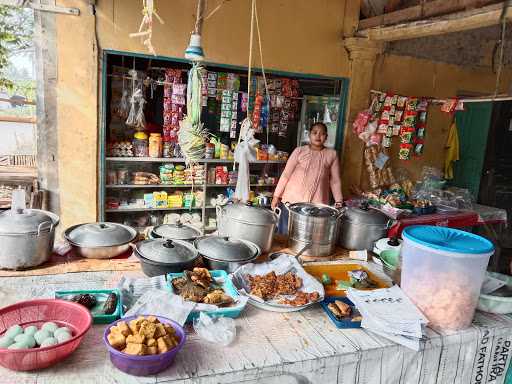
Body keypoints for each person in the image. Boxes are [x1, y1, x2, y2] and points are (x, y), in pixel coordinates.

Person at [271, 122, 343, 234]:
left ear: (326, 137)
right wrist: (276, 196)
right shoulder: (299, 151)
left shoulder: (332, 155)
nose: (318, 136)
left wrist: (339, 201)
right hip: (291, 202)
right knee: (285, 235)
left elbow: (335, 181)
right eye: (315, 133)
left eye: (322, 134)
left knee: (308, 238)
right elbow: (286, 174)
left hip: (317, 206)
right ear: (309, 135)